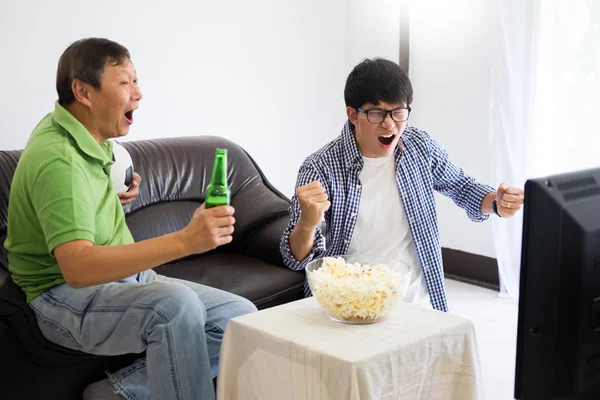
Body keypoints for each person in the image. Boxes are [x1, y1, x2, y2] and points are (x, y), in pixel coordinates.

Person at [4, 38, 256, 400]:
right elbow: (77, 268)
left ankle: (118, 392)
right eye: (124, 82)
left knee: (238, 315)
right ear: (83, 91)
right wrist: (185, 240)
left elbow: (71, 201)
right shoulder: (58, 159)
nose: (137, 94)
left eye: (135, 81)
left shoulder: (88, 134)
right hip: (61, 296)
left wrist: (109, 197)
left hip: (120, 279)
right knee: (176, 307)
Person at [279, 58, 524, 312]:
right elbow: (295, 260)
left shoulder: (419, 146)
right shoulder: (320, 167)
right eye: (377, 113)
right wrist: (307, 223)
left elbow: (461, 187)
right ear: (353, 114)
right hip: (348, 304)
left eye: (399, 112)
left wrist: (497, 202)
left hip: (416, 300)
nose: (390, 124)